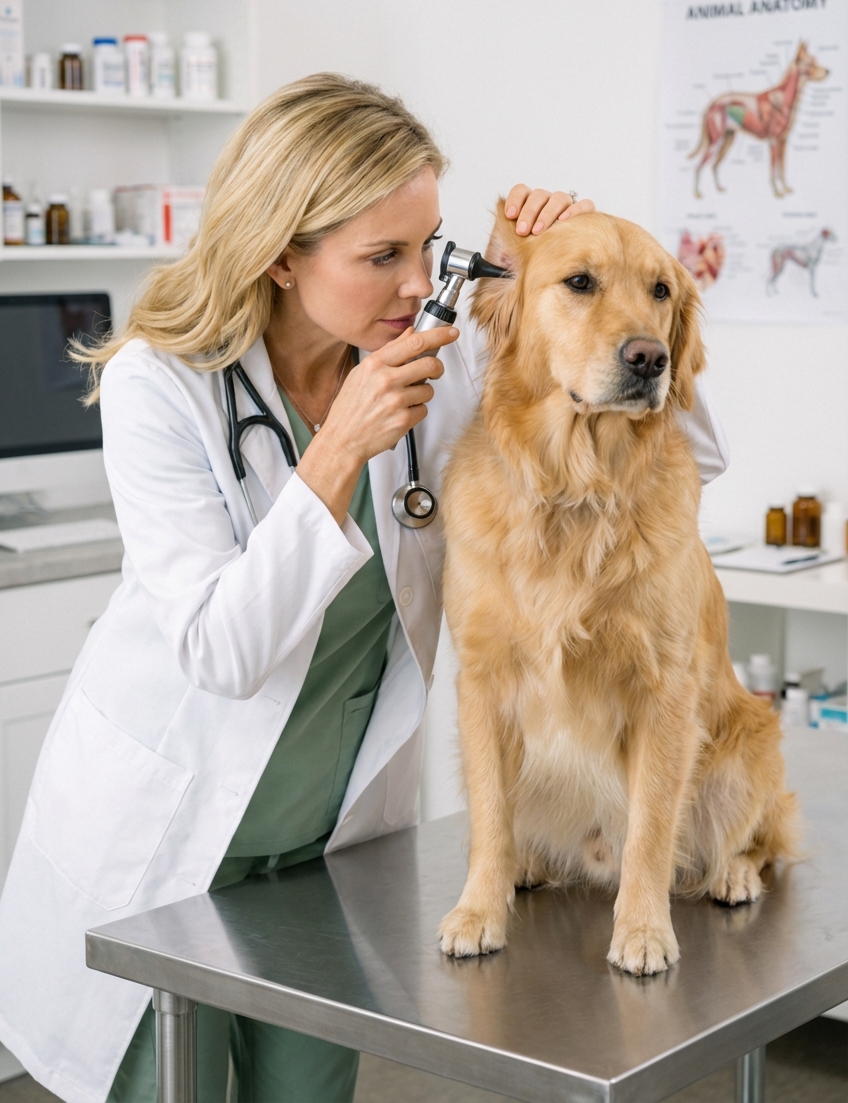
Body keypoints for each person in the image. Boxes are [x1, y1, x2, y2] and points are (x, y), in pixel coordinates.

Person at [0, 74, 727, 1103]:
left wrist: (565, 274)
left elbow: (682, 434)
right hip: (169, 847)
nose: (414, 284)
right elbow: (222, 650)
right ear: (280, 253)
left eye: (427, 247)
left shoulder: (433, 356)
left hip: (325, 852)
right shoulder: (157, 384)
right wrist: (339, 443)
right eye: (380, 256)